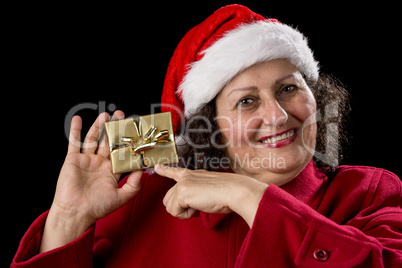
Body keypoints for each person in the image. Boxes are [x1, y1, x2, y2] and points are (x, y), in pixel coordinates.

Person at [12, 4, 401, 267]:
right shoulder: (136, 202)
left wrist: (248, 195)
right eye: (247, 101)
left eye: (288, 89)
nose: (278, 115)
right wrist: (68, 219)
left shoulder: (369, 192)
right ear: (209, 126)